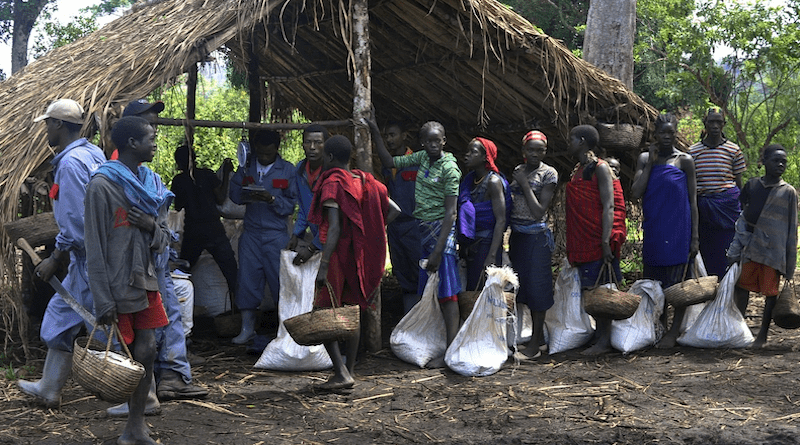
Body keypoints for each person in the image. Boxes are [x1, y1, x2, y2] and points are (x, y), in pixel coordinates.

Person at [84, 116, 173, 445]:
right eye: (150, 137)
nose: (155, 143)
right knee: (129, 358)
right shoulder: (101, 185)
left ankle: (136, 424)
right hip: (117, 284)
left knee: (148, 350)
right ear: (133, 144)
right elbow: (93, 247)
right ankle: (130, 426)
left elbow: (165, 237)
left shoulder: (153, 184)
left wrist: (150, 225)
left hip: (145, 279)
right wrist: (102, 299)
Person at [18, 99, 106, 408]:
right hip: (97, 256)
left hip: (90, 259)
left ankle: (142, 393)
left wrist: (55, 258)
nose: (45, 130)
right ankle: (49, 388)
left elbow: (76, 223)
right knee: (61, 317)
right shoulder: (94, 153)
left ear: (57, 125)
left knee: (107, 327)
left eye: (47, 124)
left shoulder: (70, 164)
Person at [308, 135, 398, 389]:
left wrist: (323, 265)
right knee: (352, 311)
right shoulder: (366, 181)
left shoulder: (334, 183)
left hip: (337, 256)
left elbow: (334, 228)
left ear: (330, 158)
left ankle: (340, 372)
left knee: (325, 311)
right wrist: (369, 232)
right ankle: (350, 370)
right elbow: (395, 210)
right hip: (359, 256)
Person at [370, 118, 462, 359]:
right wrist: (373, 128)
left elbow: (451, 213)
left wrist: (437, 252)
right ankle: (430, 340)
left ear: (444, 141)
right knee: (425, 288)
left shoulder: (449, 168)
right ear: (422, 143)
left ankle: (450, 351)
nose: (433, 145)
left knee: (447, 294)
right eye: (428, 141)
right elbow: (389, 161)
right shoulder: (421, 159)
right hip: (422, 233)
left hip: (439, 237)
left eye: (437, 140)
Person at [630, 113, 699, 348]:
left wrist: (694, 237)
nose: (667, 137)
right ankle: (658, 327)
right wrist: (650, 163)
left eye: (671, 132)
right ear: (655, 135)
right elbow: (636, 192)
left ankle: (674, 331)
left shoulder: (685, 161)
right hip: (655, 230)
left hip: (679, 230)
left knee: (679, 285)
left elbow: (693, 201)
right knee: (654, 283)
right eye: (663, 133)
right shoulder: (644, 159)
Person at [229, 129, 297, 344]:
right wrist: (245, 193)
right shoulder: (247, 166)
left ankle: (284, 330)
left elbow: (291, 205)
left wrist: (272, 199)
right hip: (251, 233)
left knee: (280, 283)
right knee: (247, 280)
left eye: (268, 154)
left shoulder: (287, 170)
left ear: (277, 149)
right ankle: (247, 328)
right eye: (261, 154)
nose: (264, 157)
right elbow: (233, 193)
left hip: (276, 234)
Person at [565, 125, 627, 355]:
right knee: (590, 290)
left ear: (582, 141)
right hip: (583, 239)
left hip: (597, 238)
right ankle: (599, 335)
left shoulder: (600, 168)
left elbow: (609, 204)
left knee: (602, 290)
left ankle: (605, 340)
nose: (568, 142)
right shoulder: (580, 169)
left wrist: (605, 240)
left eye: (572, 138)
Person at [728, 144, 797, 348]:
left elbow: (792, 228)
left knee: (770, 293)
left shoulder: (788, 192)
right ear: (763, 161)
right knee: (742, 288)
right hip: (751, 246)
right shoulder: (752, 185)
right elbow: (744, 213)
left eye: (784, 161)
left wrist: (790, 263)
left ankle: (762, 336)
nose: (781, 164)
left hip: (773, 251)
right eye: (776, 160)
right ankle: (739, 331)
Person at [508, 130, 557, 358]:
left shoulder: (548, 174)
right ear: (523, 151)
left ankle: (535, 346)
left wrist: (523, 184)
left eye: (540, 150)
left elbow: (538, 212)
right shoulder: (519, 171)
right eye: (531, 150)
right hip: (518, 238)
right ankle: (536, 338)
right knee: (523, 289)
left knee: (538, 289)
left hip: (537, 239)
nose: (535, 154)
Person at [171, 144, 238, 300]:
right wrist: (226, 174)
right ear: (194, 159)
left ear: (178, 163)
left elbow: (178, 205)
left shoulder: (178, 181)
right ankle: (239, 311)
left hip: (193, 231)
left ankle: (177, 304)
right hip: (214, 229)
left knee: (183, 271)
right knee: (232, 273)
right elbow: (221, 197)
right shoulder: (206, 175)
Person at [689, 109, 746, 278]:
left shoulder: (733, 150)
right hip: (703, 209)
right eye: (711, 122)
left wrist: (742, 210)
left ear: (723, 124)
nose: (714, 126)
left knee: (728, 249)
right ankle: (708, 291)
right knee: (706, 250)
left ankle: (726, 289)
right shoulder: (693, 152)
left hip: (727, 209)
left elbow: (739, 183)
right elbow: (690, 185)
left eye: (718, 122)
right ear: (705, 124)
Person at [378, 121, 422, 313]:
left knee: (418, 269)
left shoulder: (417, 161)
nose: (389, 140)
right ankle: (408, 314)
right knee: (400, 270)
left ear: (404, 136)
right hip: (395, 226)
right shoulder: (387, 167)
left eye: (393, 135)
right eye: (386, 136)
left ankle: (423, 314)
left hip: (415, 225)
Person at [458, 137, 507, 293]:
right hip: (472, 244)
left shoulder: (493, 182)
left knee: (485, 293)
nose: (467, 155)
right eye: (467, 151)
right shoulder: (469, 181)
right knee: (473, 291)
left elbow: (500, 220)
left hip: (486, 244)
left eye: (473, 152)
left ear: (485, 156)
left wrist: (492, 255)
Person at [287, 124, 328, 265]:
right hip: (318, 239)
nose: (312, 147)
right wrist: (296, 234)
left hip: (335, 241)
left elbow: (333, 220)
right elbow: (305, 209)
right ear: (302, 144)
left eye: (318, 142)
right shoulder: (300, 170)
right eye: (308, 142)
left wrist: (311, 247)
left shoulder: (332, 174)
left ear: (325, 145)